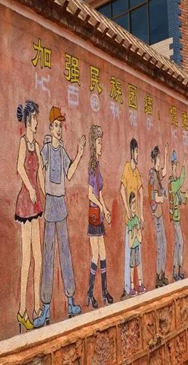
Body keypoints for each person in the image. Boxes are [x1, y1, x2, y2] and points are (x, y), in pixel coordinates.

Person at [33, 107, 86, 328]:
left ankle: (71, 302)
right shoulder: (46, 150)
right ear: (50, 127)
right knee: (48, 255)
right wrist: (44, 191)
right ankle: (45, 308)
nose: (58, 129)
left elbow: (69, 174)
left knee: (65, 253)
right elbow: (39, 170)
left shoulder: (62, 151)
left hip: (61, 205)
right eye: (55, 125)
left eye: (60, 126)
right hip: (50, 204)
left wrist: (80, 153)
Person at [14, 100, 45, 332]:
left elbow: (40, 171)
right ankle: (22, 311)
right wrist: (31, 188)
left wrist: (43, 192)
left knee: (39, 258)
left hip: (36, 203)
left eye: (36, 118)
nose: (37, 122)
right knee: (27, 259)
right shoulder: (24, 142)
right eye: (34, 118)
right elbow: (20, 167)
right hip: (26, 203)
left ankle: (37, 308)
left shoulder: (38, 145)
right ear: (28, 121)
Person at [86, 125, 113, 309]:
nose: (101, 145)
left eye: (101, 142)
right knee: (96, 255)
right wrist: (101, 207)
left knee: (102, 254)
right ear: (93, 144)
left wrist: (106, 209)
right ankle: (91, 292)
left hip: (100, 215)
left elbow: (100, 193)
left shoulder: (98, 166)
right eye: (99, 142)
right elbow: (90, 194)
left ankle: (103, 291)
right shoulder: (92, 166)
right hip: (94, 216)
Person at [120, 139, 143, 299]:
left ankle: (138, 284)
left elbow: (141, 191)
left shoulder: (137, 172)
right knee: (129, 254)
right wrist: (128, 210)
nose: (138, 155)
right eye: (136, 152)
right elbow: (122, 189)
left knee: (137, 254)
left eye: (138, 152)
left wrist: (141, 213)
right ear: (131, 152)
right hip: (129, 219)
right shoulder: (127, 168)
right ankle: (128, 287)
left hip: (136, 218)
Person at [149, 144, 169, 288]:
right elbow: (155, 197)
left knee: (164, 245)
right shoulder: (153, 176)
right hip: (156, 214)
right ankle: (158, 277)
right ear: (155, 159)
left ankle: (161, 274)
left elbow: (164, 172)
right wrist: (163, 198)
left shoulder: (156, 173)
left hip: (159, 214)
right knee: (161, 247)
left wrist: (166, 155)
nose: (160, 161)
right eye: (160, 158)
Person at [168, 151, 188, 281]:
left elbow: (181, 198)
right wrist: (184, 166)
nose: (175, 169)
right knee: (181, 243)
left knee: (177, 245)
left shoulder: (174, 183)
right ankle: (179, 269)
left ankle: (176, 272)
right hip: (175, 220)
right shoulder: (172, 182)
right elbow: (180, 182)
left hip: (177, 219)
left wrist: (185, 196)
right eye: (174, 167)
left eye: (176, 166)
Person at [127, 192, 145, 295]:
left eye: (135, 203)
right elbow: (130, 243)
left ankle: (140, 284)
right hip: (132, 249)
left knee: (138, 265)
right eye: (132, 203)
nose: (134, 205)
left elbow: (140, 239)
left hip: (137, 246)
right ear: (129, 206)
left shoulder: (137, 220)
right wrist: (134, 233)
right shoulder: (130, 222)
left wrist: (137, 232)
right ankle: (132, 287)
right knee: (132, 267)